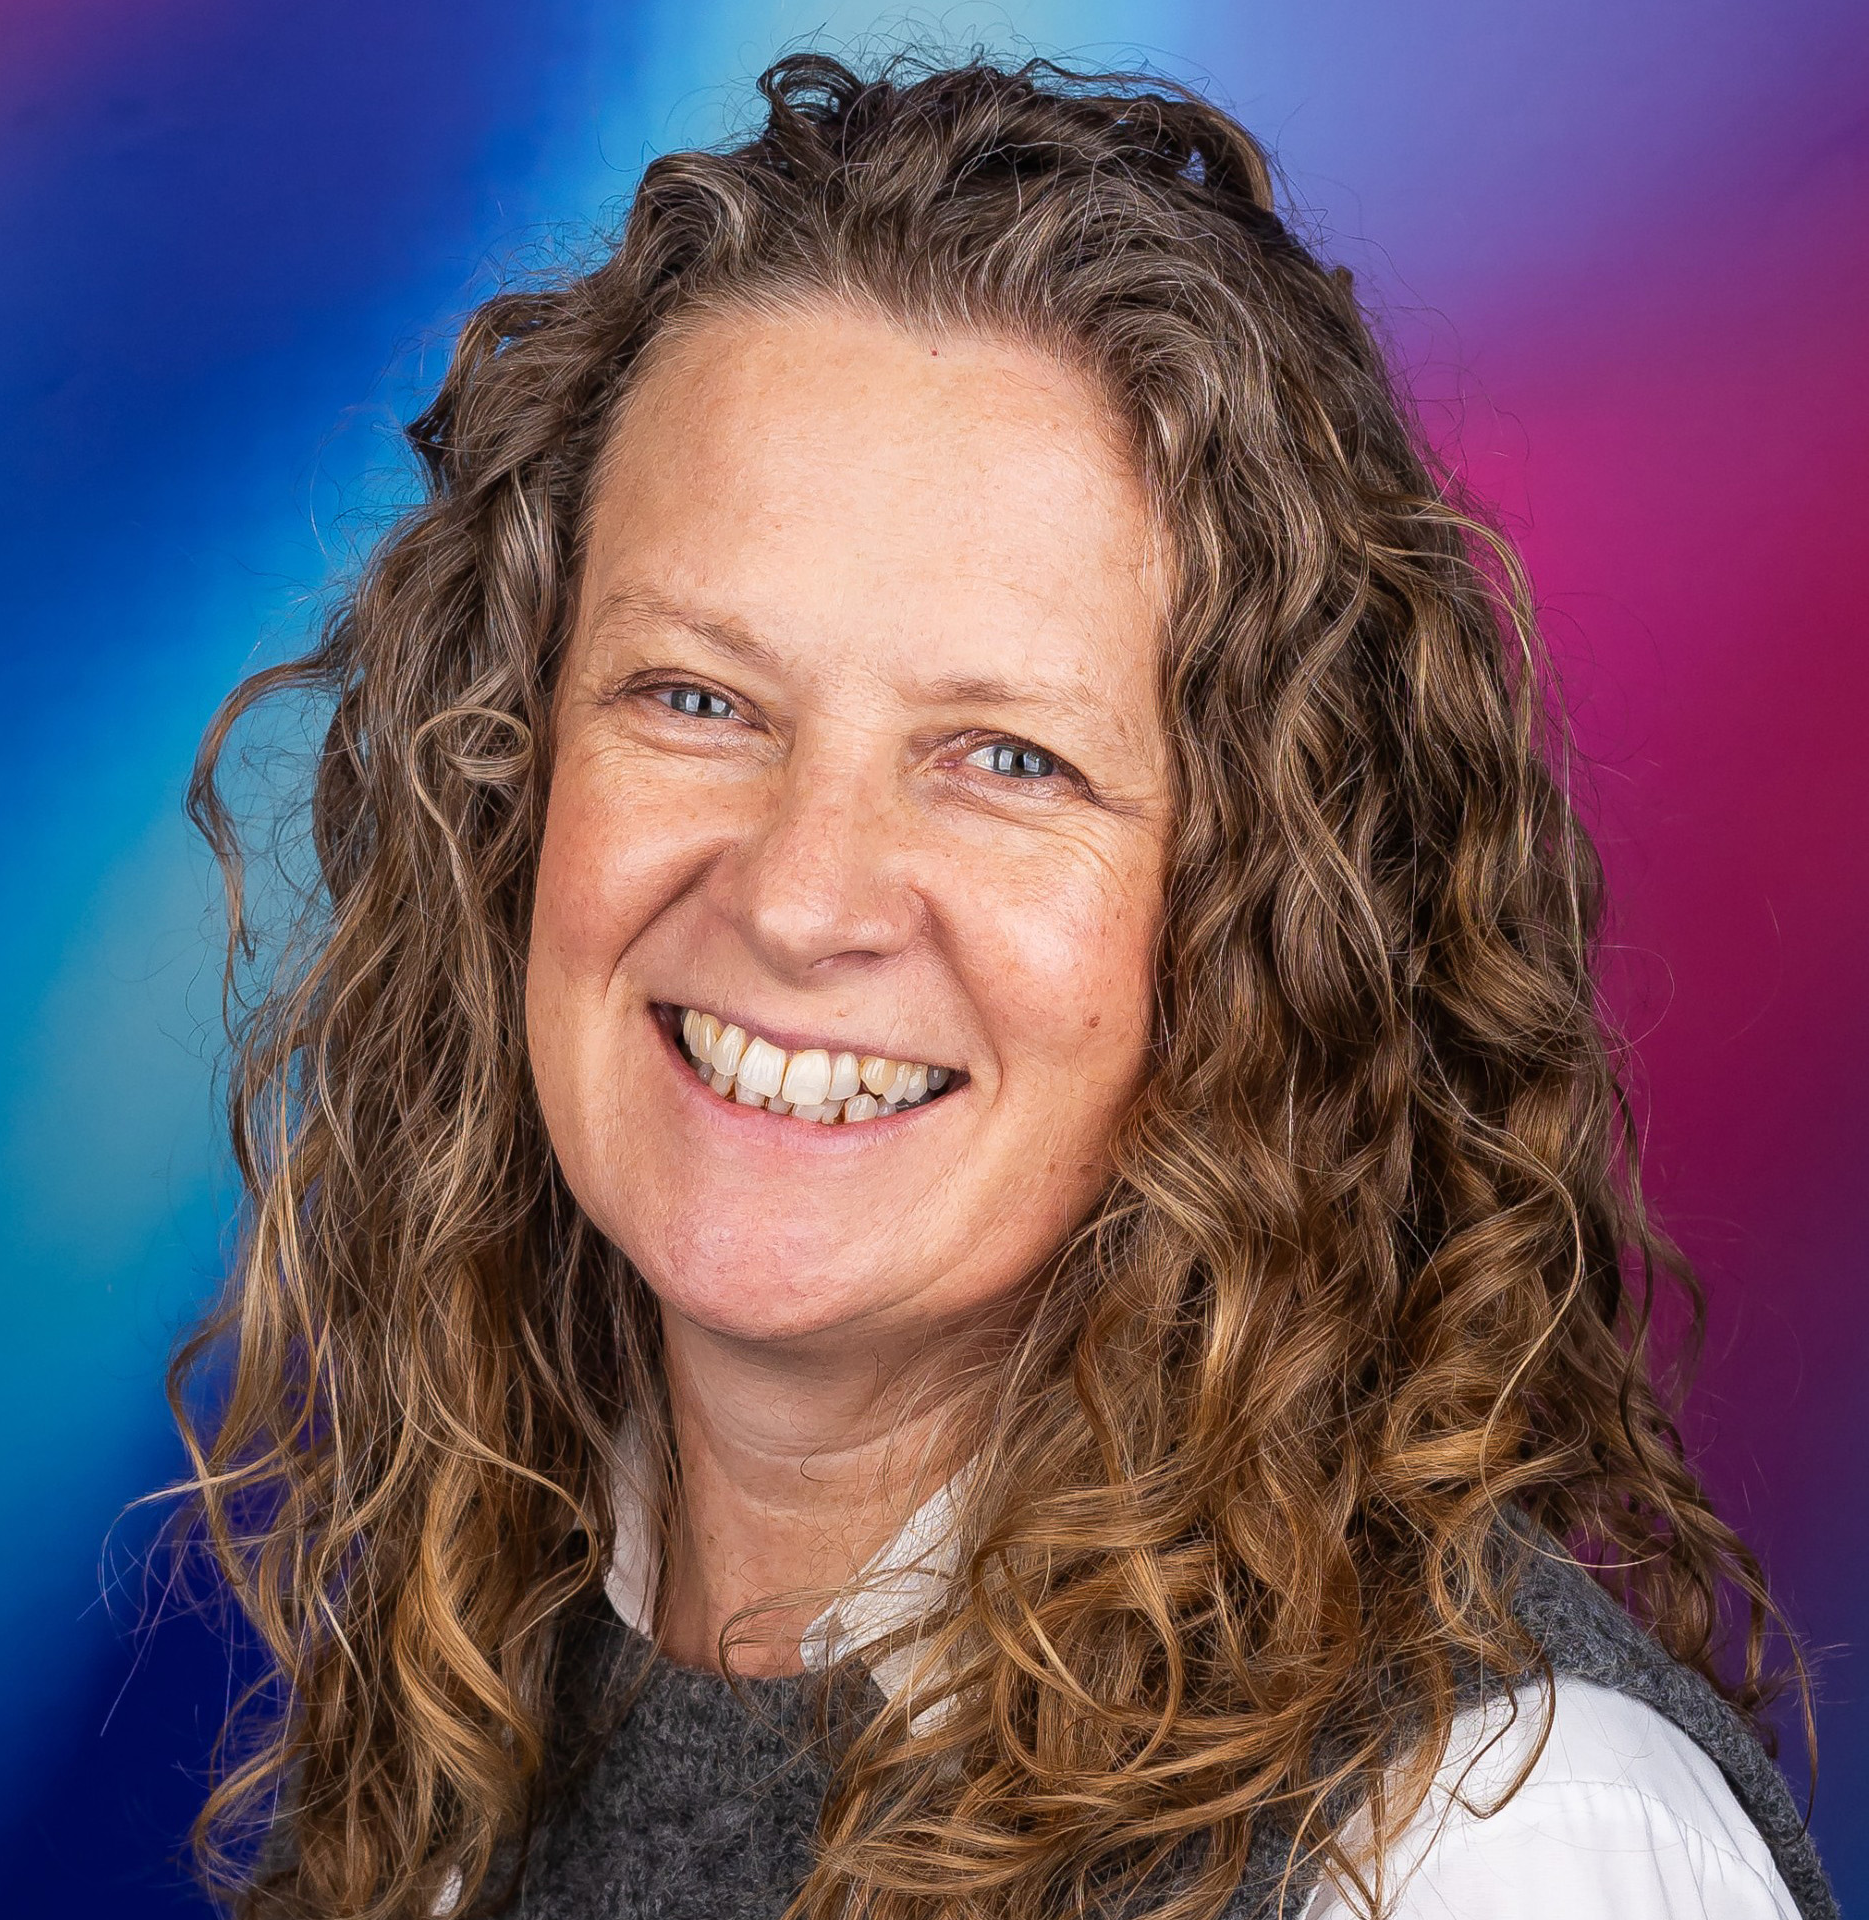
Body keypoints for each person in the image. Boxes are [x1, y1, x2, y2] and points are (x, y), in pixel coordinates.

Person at [171, 52, 1836, 1920]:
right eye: (696, 699)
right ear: (509, 781)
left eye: (1008, 758)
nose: (804, 899)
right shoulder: (487, 1707)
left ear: (1257, 910)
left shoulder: (1486, 1842)